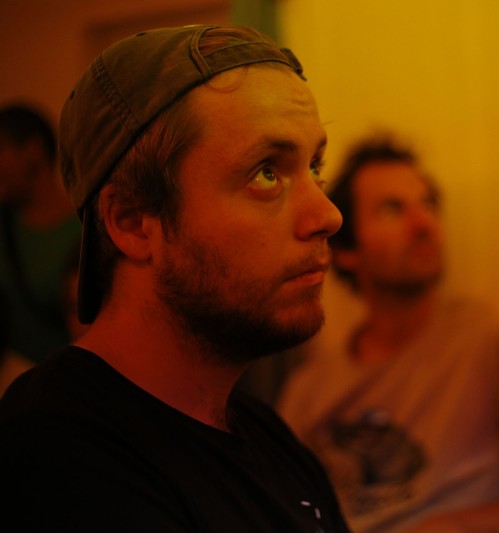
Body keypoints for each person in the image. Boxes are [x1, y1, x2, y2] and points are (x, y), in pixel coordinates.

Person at [0, 25, 350, 531]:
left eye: (314, 166)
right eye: (266, 172)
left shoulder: (267, 435)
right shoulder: (56, 459)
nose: (328, 215)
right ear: (133, 222)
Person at [275, 135, 499, 532]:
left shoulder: (492, 337)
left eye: (428, 204)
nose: (424, 224)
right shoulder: (308, 390)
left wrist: (453, 527)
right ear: (347, 250)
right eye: (392, 209)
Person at [0, 103, 81, 391]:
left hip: (64, 385)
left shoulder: (84, 228)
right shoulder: (5, 223)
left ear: (33, 151)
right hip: (13, 384)